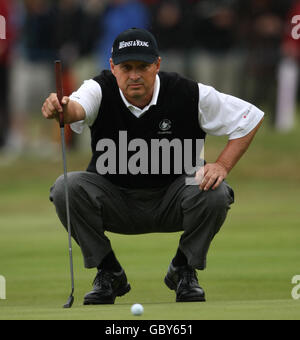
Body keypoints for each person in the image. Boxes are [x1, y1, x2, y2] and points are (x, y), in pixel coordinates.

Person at [42, 28, 264, 305]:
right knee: (66, 187)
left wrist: (222, 164)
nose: (134, 74)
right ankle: (108, 271)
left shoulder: (189, 92)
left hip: (175, 198)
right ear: (113, 67)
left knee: (216, 192)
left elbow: (249, 117)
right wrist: (62, 108)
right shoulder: (98, 88)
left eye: (143, 66)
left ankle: (184, 269)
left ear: (157, 64)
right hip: (115, 198)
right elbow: (78, 109)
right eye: (126, 67)